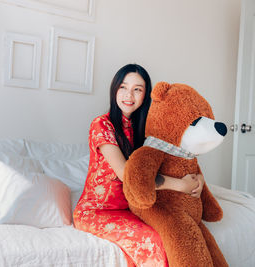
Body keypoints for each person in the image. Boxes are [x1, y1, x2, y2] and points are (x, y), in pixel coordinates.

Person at [73, 64, 204, 267]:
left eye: (137, 89)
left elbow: (175, 156)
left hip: (131, 208)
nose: (129, 95)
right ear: (114, 90)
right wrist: (180, 185)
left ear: (145, 95)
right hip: (96, 211)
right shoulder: (102, 124)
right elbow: (129, 176)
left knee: (172, 233)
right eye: (123, 87)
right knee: (151, 242)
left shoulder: (144, 130)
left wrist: (197, 180)